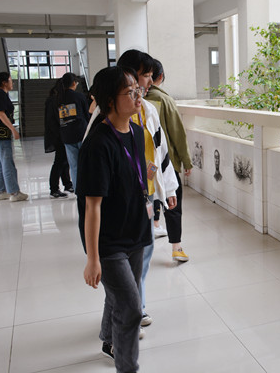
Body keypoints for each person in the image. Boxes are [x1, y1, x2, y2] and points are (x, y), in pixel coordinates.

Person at [77, 66, 150, 373]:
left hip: (136, 231)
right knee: (131, 308)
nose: (138, 96)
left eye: (138, 90)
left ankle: (109, 338)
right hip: (109, 242)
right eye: (130, 92)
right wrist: (93, 259)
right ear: (109, 101)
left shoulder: (136, 132)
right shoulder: (97, 144)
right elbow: (91, 207)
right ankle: (127, 367)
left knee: (120, 297)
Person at [117, 49, 179, 335]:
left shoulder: (149, 110)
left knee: (142, 255)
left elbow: (161, 152)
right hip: (121, 198)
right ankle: (126, 313)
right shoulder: (109, 113)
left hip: (146, 194)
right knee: (124, 259)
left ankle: (137, 307)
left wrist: (170, 188)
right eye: (145, 75)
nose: (150, 81)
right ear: (128, 76)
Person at [146, 58, 192, 262]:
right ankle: (176, 247)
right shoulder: (164, 100)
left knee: (150, 197)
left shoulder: (138, 100)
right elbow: (178, 135)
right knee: (173, 202)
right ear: (161, 76)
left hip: (146, 164)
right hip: (166, 162)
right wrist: (186, 161)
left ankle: (154, 227)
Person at [0, 72, 28, 202]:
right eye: (10, 80)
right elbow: (0, 113)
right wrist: (13, 129)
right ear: (4, 83)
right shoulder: (0, 95)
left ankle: (1, 191)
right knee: (7, 163)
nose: (12, 83)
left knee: (0, 163)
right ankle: (14, 192)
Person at [56, 72, 90, 191]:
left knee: (74, 165)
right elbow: (86, 115)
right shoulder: (79, 96)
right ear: (74, 83)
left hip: (66, 135)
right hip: (81, 133)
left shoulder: (59, 98)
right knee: (85, 163)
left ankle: (77, 189)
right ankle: (87, 188)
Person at [44, 79, 73, 199]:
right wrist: (61, 134)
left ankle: (67, 184)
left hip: (61, 134)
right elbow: (52, 121)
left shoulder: (58, 99)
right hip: (58, 135)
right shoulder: (53, 100)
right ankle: (54, 188)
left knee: (65, 161)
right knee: (59, 162)